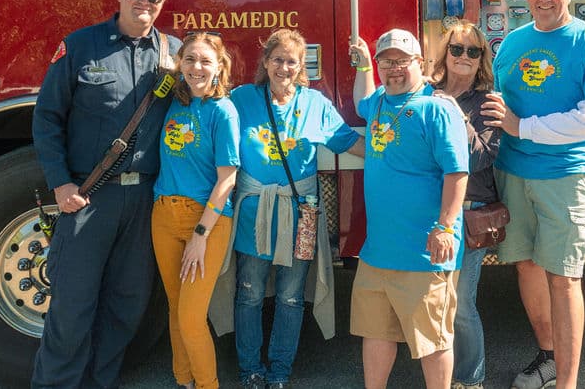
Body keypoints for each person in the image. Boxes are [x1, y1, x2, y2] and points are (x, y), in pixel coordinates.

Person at [31, 0, 181, 389]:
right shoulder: (80, 46)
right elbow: (46, 119)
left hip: (145, 201)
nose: (144, 1)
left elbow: (206, 103)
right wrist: (60, 183)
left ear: (163, 1)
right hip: (89, 199)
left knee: (127, 305)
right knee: (72, 307)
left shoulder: (172, 53)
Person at [486, 0, 585, 389]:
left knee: (563, 277)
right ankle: (547, 357)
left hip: (565, 174)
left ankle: (567, 383)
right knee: (525, 265)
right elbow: (496, 101)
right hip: (512, 171)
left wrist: (523, 128)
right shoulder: (512, 42)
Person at [212, 29, 366, 389]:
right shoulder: (241, 99)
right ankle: (250, 369)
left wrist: (400, 155)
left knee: (291, 295)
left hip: (302, 214)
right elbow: (209, 126)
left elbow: (351, 143)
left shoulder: (315, 104)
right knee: (248, 292)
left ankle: (280, 371)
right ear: (265, 62)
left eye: (291, 62)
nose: (284, 67)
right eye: (277, 59)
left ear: (301, 68)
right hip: (254, 213)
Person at [347, 28, 469, 389]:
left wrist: (446, 227)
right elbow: (360, 101)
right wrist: (365, 67)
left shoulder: (437, 107)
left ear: (421, 63)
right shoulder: (380, 102)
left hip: (424, 252)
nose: (394, 69)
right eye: (387, 62)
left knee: (433, 341)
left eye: (402, 61)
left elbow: (457, 172)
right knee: (376, 333)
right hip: (378, 252)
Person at [152, 31, 240, 389]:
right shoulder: (173, 102)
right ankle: (183, 380)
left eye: (205, 60)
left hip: (206, 222)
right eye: (189, 59)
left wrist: (201, 236)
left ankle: (207, 384)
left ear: (219, 66)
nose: (197, 67)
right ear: (180, 65)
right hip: (163, 215)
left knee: (191, 317)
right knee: (176, 310)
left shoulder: (224, 111)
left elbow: (227, 180)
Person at [428, 21, 502, 389]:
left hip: (469, 214)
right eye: (456, 49)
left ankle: (471, 380)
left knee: (459, 306)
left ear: (481, 60)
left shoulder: (488, 103)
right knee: (432, 302)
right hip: (430, 211)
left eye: (473, 51)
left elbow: (480, 158)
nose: (463, 57)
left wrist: (455, 111)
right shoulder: (424, 93)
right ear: (445, 53)